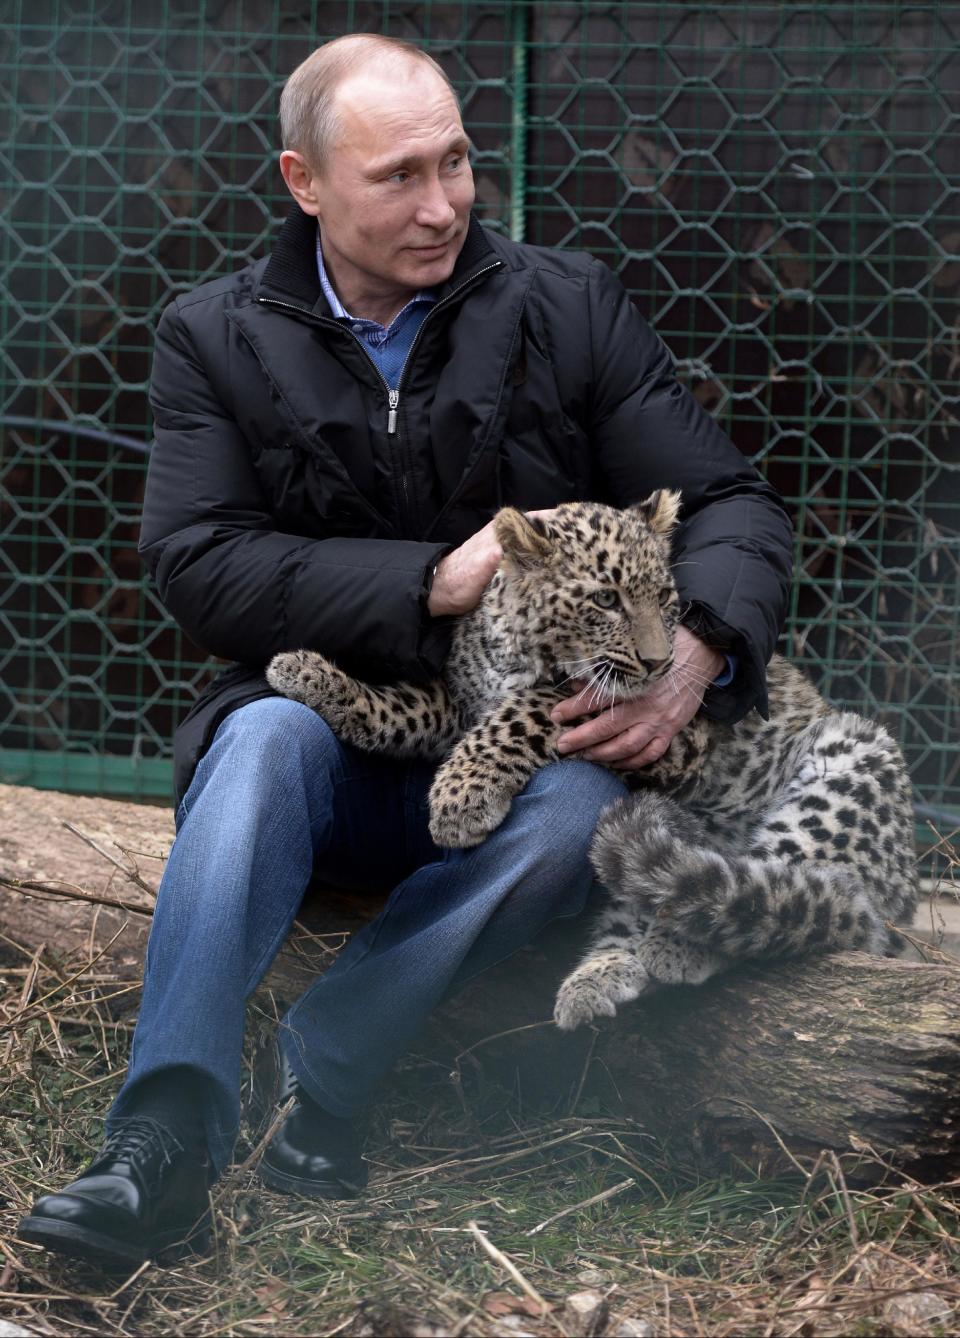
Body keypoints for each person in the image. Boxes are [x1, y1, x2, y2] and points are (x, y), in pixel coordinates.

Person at [19, 33, 792, 1267]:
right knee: (262, 738)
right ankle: (157, 1144)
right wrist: (425, 582)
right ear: (303, 182)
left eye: (457, 164)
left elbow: (734, 503)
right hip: (328, 732)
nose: (442, 205)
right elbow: (196, 559)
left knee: (580, 804)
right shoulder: (213, 335)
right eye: (398, 177)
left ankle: (329, 1070)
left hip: (528, 762)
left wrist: (700, 647)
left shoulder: (567, 305)